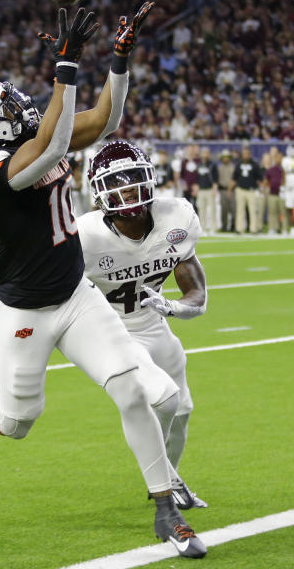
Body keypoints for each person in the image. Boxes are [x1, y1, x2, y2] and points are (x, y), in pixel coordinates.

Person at [0, 4, 207, 558]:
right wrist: (66, 62)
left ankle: (164, 507)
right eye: (5, 103)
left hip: (76, 292)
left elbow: (104, 121)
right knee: (15, 423)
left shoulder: (31, 134)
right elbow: (53, 148)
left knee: (132, 389)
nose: (19, 103)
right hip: (23, 310)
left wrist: (118, 58)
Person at [78, 140, 208, 509]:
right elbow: (48, 283)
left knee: (182, 410)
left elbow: (197, 296)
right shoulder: (85, 235)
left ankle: (169, 481)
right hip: (113, 330)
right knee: (163, 397)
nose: (126, 190)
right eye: (115, 183)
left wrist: (172, 307)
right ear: (99, 192)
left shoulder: (175, 218)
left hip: (154, 323)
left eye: (132, 178)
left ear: (148, 178)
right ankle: (165, 485)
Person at [231, 144, 263, 234]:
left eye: (247, 153)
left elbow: (260, 179)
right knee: (240, 210)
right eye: (244, 153)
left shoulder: (255, 165)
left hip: (251, 190)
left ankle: (254, 229)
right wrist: (230, 189)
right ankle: (239, 229)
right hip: (240, 189)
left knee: (253, 210)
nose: (246, 155)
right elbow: (234, 178)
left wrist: (261, 189)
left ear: (250, 154)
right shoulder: (239, 165)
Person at [194, 146, 218, 233]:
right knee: (202, 210)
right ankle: (203, 227)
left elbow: (215, 178)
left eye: (207, 153)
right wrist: (196, 188)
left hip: (210, 189)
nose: (205, 154)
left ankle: (213, 227)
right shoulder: (199, 165)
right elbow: (196, 178)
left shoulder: (212, 165)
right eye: (203, 153)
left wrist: (215, 188)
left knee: (212, 209)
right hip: (201, 189)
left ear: (209, 154)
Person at [263, 148, 285, 234]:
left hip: (282, 193)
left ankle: (283, 228)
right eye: (277, 157)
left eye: (280, 157)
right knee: (272, 212)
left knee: (283, 212)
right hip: (272, 193)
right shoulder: (271, 169)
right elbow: (266, 180)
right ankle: (272, 228)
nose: (279, 159)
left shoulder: (284, 169)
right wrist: (264, 190)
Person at [216, 149, 235, 231]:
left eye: (227, 157)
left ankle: (233, 226)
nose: (225, 159)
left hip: (232, 190)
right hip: (222, 190)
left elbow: (235, 179)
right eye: (224, 157)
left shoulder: (233, 167)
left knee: (233, 209)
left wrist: (230, 189)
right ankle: (224, 226)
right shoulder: (219, 168)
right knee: (224, 209)